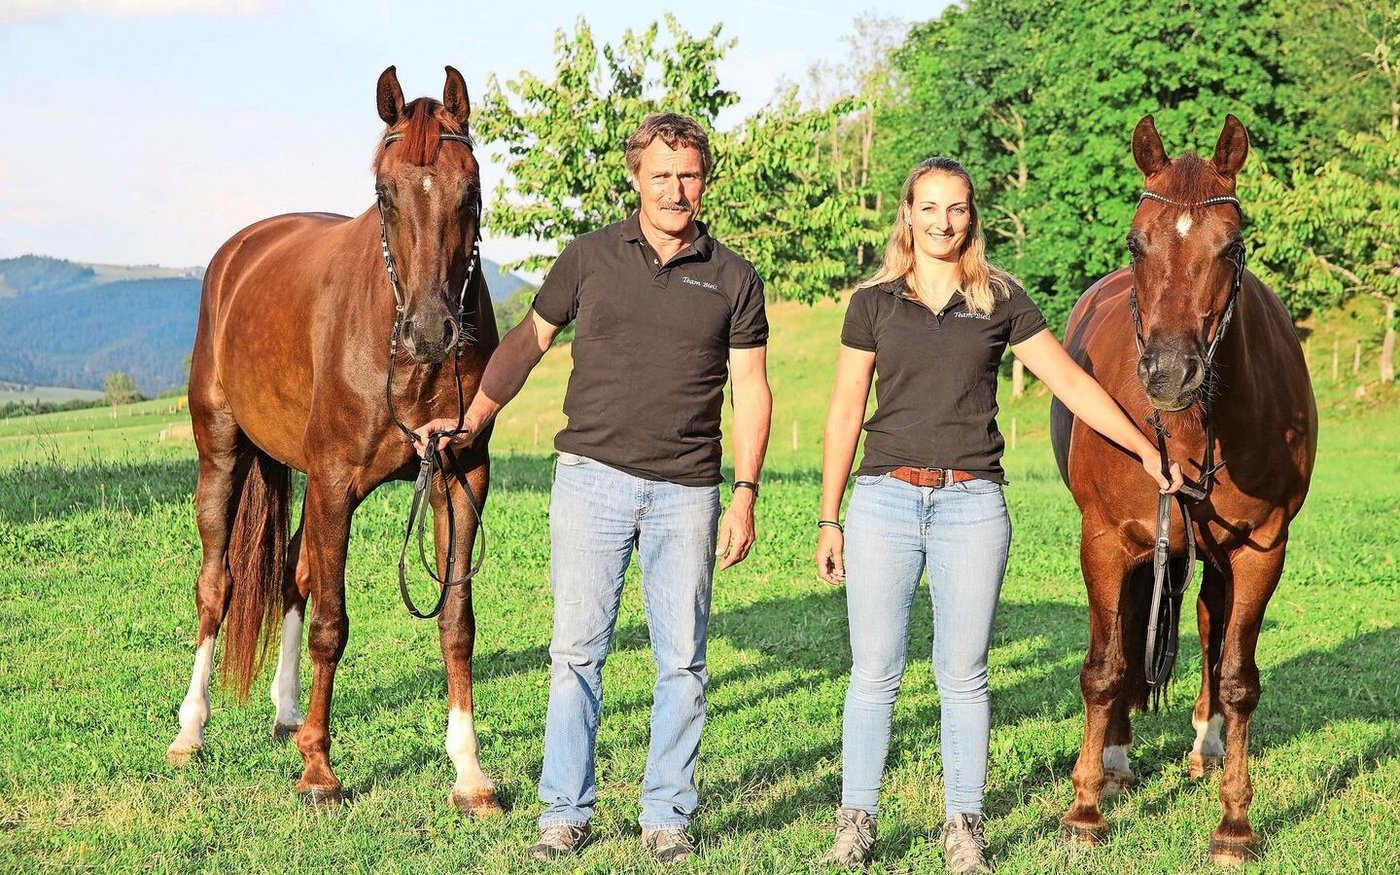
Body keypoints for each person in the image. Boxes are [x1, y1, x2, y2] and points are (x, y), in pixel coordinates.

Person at [414, 113, 772, 864]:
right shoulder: (590, 256)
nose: (677, 190)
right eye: (663, 174)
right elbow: (527, 342)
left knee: (683, 659)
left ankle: (667, 813)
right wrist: (473, 419)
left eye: (690, 175)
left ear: (705, 181)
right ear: (636, 178)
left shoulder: (734, 276)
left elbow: (753, 387)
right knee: (577, 652)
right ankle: (563, 813)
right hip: (591, 482)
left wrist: (745, 490)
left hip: (688, 491)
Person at [813, 157, 1181, 873]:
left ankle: (964, 829)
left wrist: (1143, 448)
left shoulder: (1001, 298)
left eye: (957, 208)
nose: (943, 221)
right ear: (908, 214)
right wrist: (830, 518)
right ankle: (855, 823)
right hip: (883, 499)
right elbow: (843, 411)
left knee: (964, 673)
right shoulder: (872, 303)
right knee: (874, 672)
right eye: (929, 207)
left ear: (971, 216)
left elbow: (1073, 383)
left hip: (972, 505)